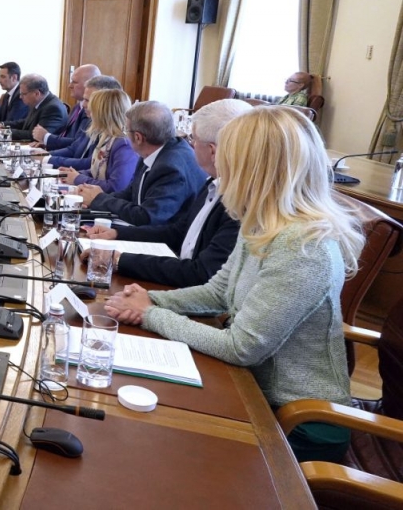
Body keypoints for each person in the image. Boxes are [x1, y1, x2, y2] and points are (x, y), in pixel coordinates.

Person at [105, 106, 363, 463]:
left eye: (227, 158)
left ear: (252, 167)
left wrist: (149, 314)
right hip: (251, 388)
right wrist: (152, 299)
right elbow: (217, 292)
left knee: (157, 451)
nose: (217, 167)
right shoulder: (261, 221)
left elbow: (242, 348)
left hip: (299, 420)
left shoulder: (304, 248)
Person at [86, 99, 250, 288]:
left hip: (189, 286)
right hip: (180, 271)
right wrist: (116, 233)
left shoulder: (237, 203)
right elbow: (178, 231)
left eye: (193, 139)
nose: (190, 145)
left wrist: (119, 260)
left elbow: (200, 273)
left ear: (212, 151)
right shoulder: (213, 183)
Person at [78, 101, 207, 226]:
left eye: (126, 130)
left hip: (163, 236)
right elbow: (130, 194)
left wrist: (99, 199)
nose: (125, 134)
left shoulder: (171, 168)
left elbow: (147, 217)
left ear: (138, 137)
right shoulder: (152, 152)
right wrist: (94, 198)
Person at [58, 89, 137, 192]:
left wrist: (77, 178)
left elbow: (116, 187)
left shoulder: (124, 145)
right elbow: (96, 172)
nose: (90, 115)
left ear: (103, 114)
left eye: (93, 111)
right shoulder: (106, 137)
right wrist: (75, 174)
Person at [42, 75, 122, 153]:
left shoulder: (119, 139)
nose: (83, 105)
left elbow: (88, 159)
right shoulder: (82, 111)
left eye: (88, 100)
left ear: (104, 101)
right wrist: (44, 156)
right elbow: (75, 148)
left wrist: (46, 141)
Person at [0, 73, 68, 141]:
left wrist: (4, 131)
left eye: (23, 94)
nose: (20, 97)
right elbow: (25, 122)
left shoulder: (53, 108)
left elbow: (36, 136)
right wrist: (3, 125)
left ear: (37, 93)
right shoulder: (39, 102)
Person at [34, 64, 99, 146]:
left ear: (89, 84)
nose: (69, 86)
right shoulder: (77, 107)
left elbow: (78, 144)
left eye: (74, 82)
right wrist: (47, 144)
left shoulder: (91, 111)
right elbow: (66, 135)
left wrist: (47, 137)